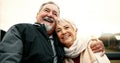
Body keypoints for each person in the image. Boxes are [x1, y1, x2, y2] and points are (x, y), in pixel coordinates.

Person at [0, 1, 104, 63]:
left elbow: (77, 43)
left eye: (55, 13)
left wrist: (93, 42)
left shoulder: (59, 38)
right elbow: (9, 58)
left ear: (57, 19)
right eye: (46, 10)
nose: (50, 15)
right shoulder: (20, 30)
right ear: (37, 14)